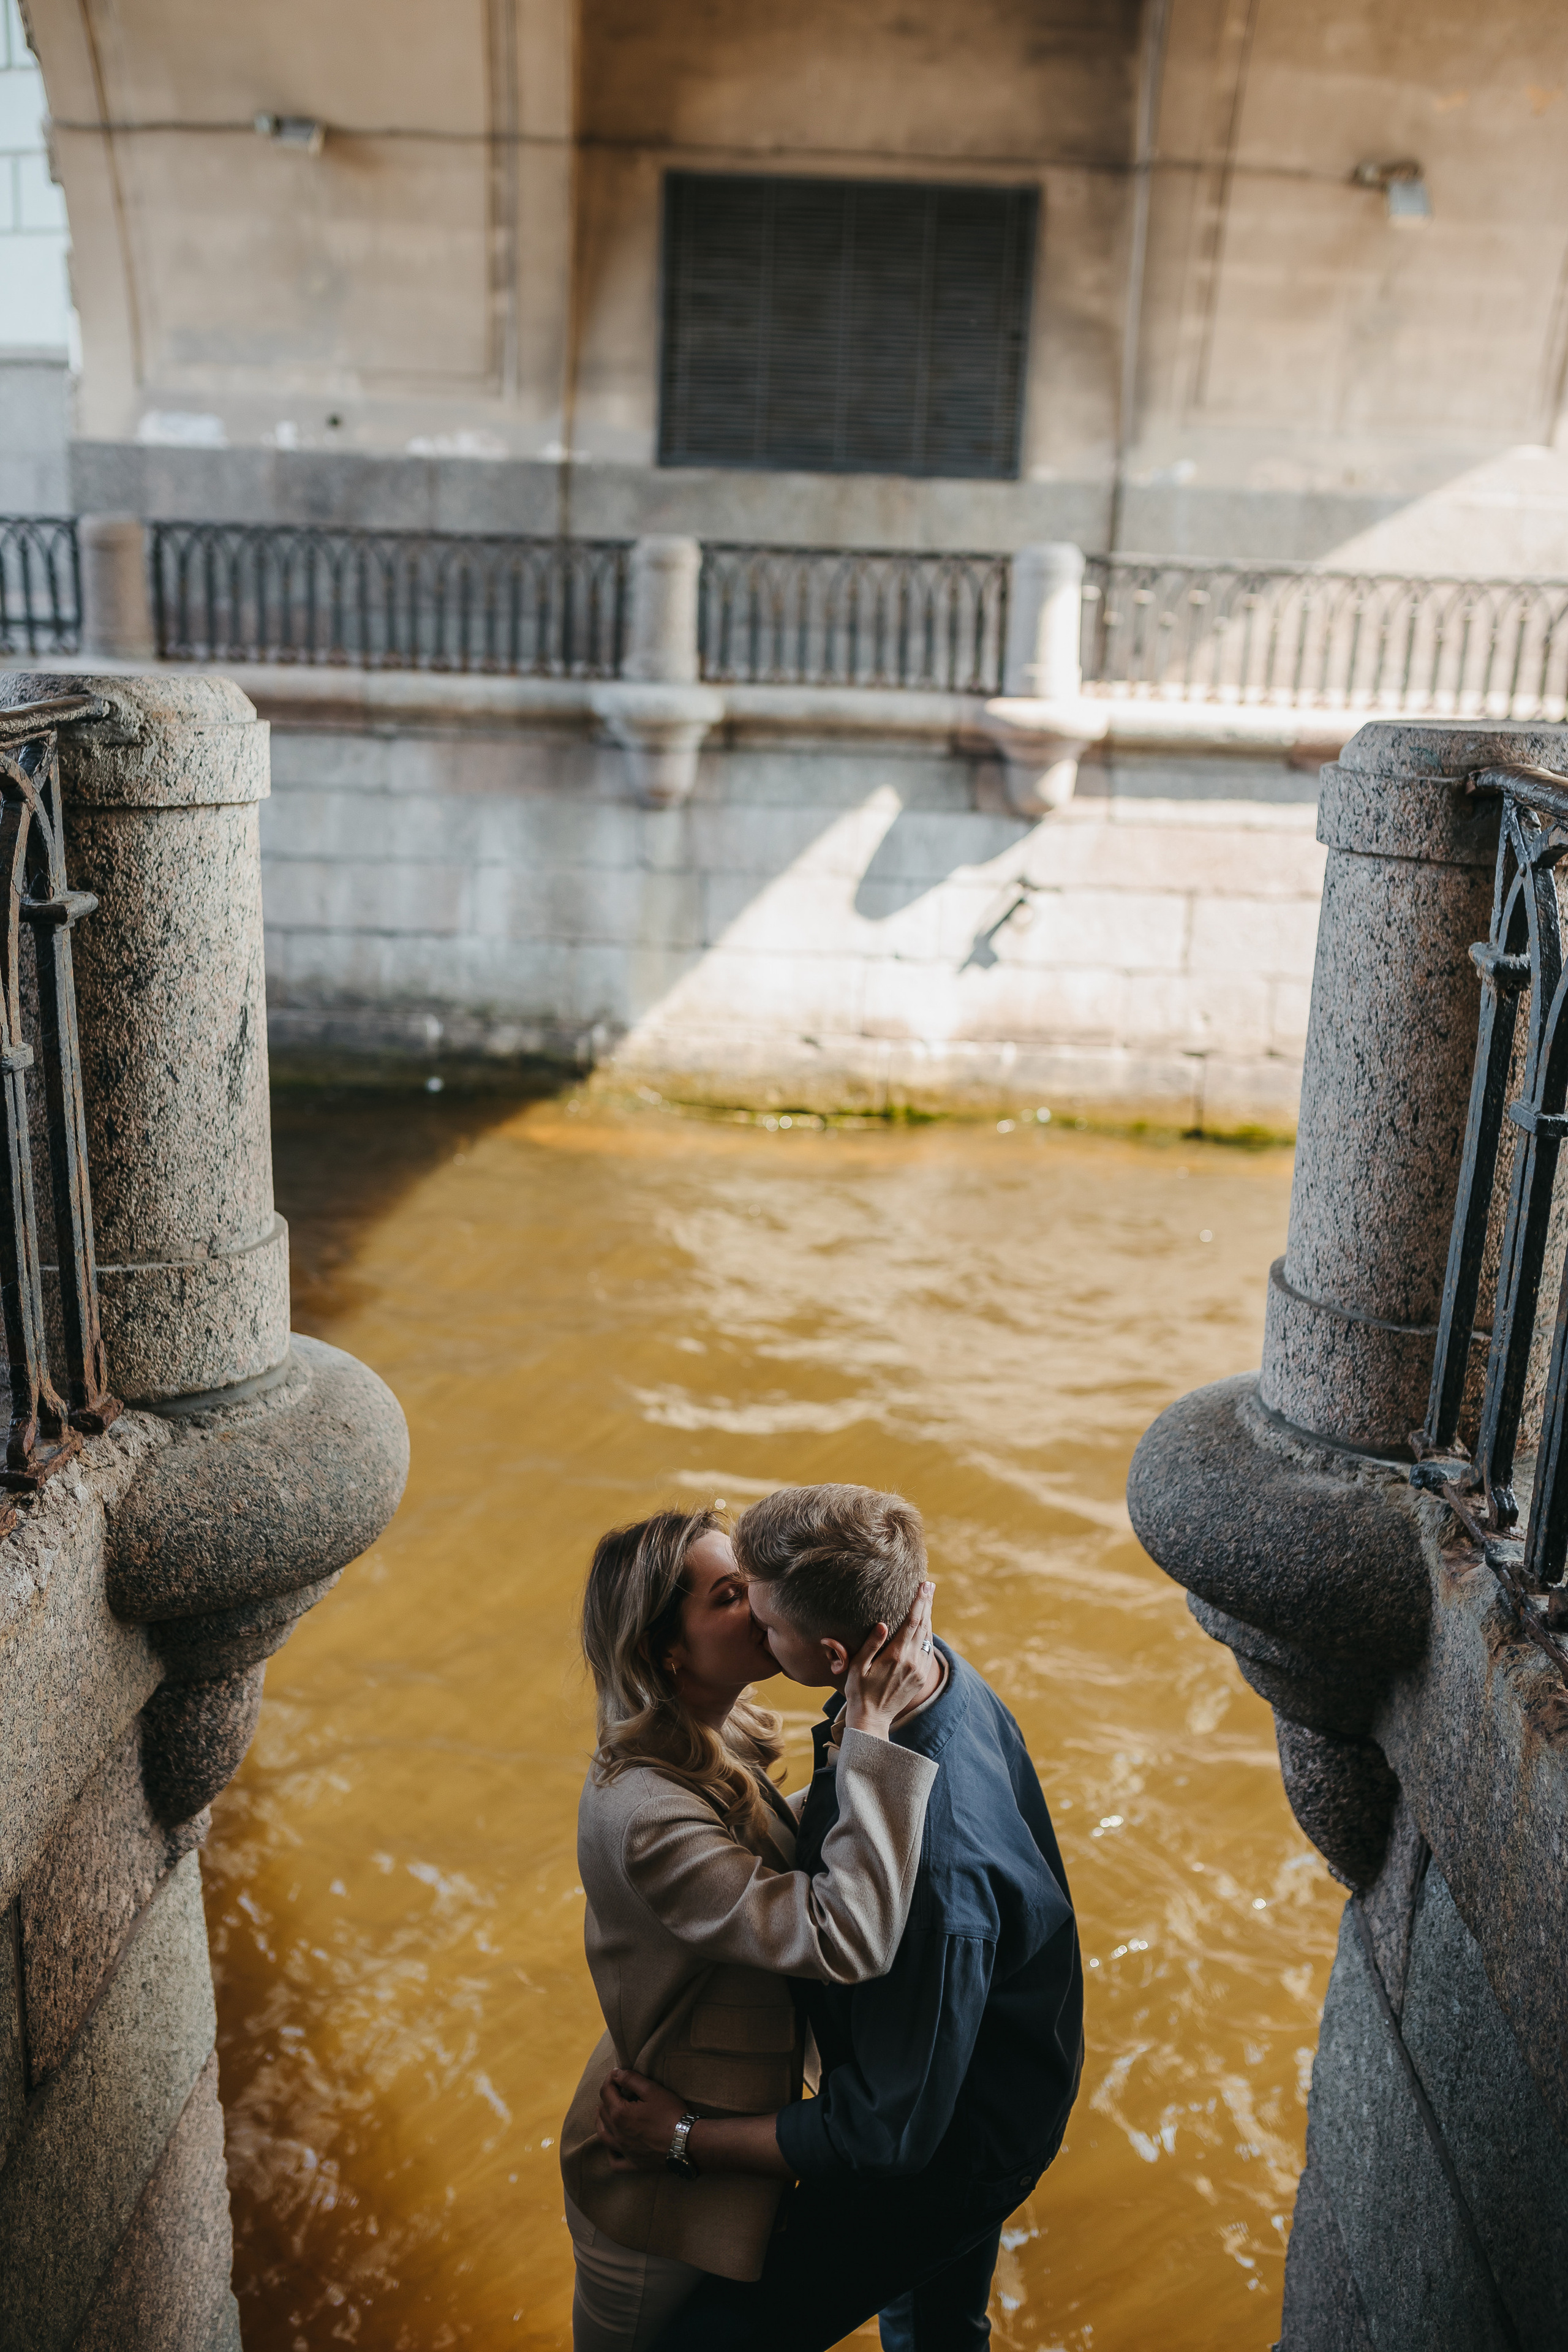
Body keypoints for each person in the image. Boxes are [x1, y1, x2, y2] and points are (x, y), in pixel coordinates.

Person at [595, 1483, 1084, 2352]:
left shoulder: (932, 1880)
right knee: (936, 2326)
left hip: (948, 2149)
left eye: (761, 1611)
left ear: (828, 1651)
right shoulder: (933, 1675)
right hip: (1002, 2070)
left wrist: (686, 2139)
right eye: (732, 1590)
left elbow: (881, 2133)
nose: (753, 1620)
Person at [560, 1504, 941, 2352]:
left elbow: (774, 1848)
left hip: (700, 2122)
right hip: (652, 2191)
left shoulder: (709, 1731)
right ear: (666, 1648)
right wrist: (872, 1734)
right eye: (732, 1594)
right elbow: (846, 1935)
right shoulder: (646, 1814)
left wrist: (860, 1723)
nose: (766, 1601)